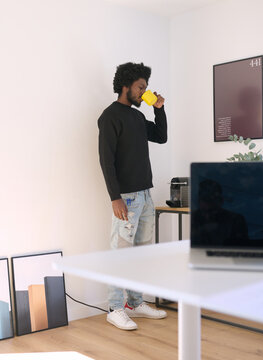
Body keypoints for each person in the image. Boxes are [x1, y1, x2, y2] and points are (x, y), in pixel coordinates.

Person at [97, 62, 168, 331]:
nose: (143, 92)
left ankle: (134, 303)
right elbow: (106, 159)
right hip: (125, 198)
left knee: (141, 253)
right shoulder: (110, 116)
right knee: (120, 253)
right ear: (125, 86)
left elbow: (161, 137)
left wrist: (158, 109)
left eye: (145, 88)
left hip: (145, 195)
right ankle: (115, 307)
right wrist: (114, 197)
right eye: (141, 87)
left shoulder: (138, 117)